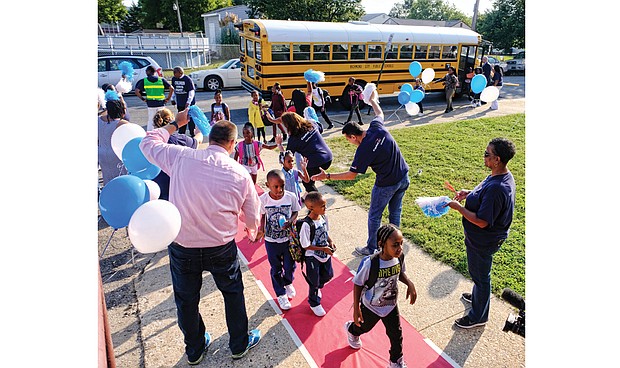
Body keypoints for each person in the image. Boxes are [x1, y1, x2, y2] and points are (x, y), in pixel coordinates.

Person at [139, 112, 262, 364]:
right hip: (221, 247)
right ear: (231, 144)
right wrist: (251, 230)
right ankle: (238, 344)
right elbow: (252, 214)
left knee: (186, 300)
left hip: (183, 245)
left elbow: (147, 143)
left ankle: (194, 348)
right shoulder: (239, 173)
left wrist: (177, 124)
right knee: (233, 294)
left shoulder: (181, 157)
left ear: (209, 139)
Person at [311, 89, 410, 257]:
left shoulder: (363, 150)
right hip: (403, 177)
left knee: (374, 216)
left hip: (386, 184)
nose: (349, 143)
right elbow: (379, 113)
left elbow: (351, 175)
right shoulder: (375, 127)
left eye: (347, 140)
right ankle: (395, 244)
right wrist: (372, 100)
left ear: (352, 137)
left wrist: (327, 176)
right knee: (395, 212)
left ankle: (371, 248)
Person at [445, 138, 516, 329]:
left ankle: (478, 316)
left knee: (481, 276)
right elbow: (484, 193)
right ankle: (478, 297)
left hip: (484, 240)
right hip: (482, 238)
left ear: (497, 159)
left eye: (487, 154)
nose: (484, 157)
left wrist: (458, 208)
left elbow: (482, 221)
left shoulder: (497, 188)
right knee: (478, 273)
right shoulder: (499, 175)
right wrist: (469, 193)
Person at [345, 224, 417, 368]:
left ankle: (396, 361)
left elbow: (399, 272)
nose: (399, 248)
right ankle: (351, 330)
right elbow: (358, 284)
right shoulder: (371, 264)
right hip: (371, 306)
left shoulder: (399, 257)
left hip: (390, 305)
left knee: (396, 335)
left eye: (401, 244)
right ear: (382, 244)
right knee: (364, 328)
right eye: (395, 245)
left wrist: (409, 283)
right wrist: (356, 308)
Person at [254, 169, 301, 311]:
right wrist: (261, 230)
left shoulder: (291, 197)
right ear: (268, 185)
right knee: (276, 268)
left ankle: (288, 282)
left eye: (282, 186)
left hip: (288, 240)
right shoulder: (263, 200)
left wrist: (291, 221)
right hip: (271, 241)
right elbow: (262, 215)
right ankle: (281, 294)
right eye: (276, 186)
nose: (279, 190)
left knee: (289, 266)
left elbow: (295, 211)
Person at [267, 112, 333, 193]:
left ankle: (317, 202)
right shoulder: (311, 124)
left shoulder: (294, 139)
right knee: (312, 177)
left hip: (315, 162)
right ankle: (309, 197)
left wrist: (279, 144)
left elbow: (286, 158)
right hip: (328, 158)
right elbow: (321, 128)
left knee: (308, 183)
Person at [150, 108, 203, 200]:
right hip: (177, 190)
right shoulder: (181, 139)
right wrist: (199, 131)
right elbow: (197, 142)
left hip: (155, 188)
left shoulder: (151, 142)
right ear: (171, 120)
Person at [299, 191, 335, 317]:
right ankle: (314, 302)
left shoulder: (324, 217)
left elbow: (326, 232)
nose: (325, 208)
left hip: (325, 254)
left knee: (329, 274)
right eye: (322, 206)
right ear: (311, 208)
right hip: (312, 257)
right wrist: (322, 249)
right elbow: (305, 245)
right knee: (313, 281)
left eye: (325, 205)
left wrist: (330, 242)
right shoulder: (306, 224)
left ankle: (318, 287)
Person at [98, 96, 129, 186]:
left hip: (102, 153)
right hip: (117, 154)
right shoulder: (122, 124)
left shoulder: (98, 120)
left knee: (107, 178)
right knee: (121, 180)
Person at [134, 65, 174, 131]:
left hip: (151, 103)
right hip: (161, 103)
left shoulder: (144, 81)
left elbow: (137, 91)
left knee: (151, 120)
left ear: (148, 71)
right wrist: (168, 98)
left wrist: (143, 99)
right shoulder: (161, 80)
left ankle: (150, 134)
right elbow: (171, 88)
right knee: (162, 119)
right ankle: (163, 132)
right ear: (155, 72)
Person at [170, 66, 196, 137]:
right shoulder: (174, 79)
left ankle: (192, 133)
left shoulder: (187, 79)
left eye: (175, 73)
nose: (174, 74)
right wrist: (172, 99)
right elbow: (174, 90)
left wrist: (188, 102)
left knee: (190, 118)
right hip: (180, 102)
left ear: (180, 73)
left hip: (188, 103)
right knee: (181, 118)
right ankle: (181, 133)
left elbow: (191, 92)